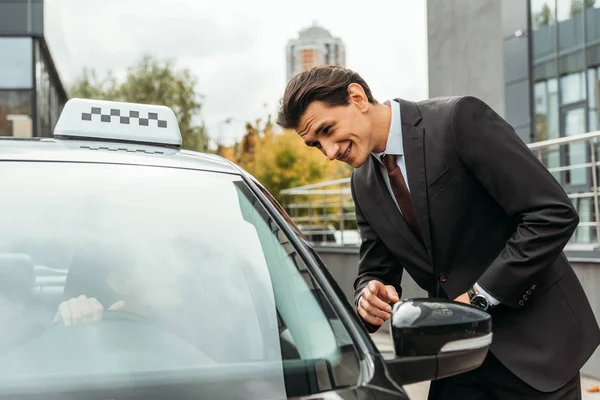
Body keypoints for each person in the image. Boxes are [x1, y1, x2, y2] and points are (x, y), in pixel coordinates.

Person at [276, 65, 600, 399]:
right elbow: (376, 269)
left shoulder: (458, 119)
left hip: (536, 347)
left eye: (327, 130)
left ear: (357, 97)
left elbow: (551, 215)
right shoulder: (362, 184)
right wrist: (368, 295)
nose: (329, 152)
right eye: (316, 145)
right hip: (456, 358)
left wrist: (478, 296)